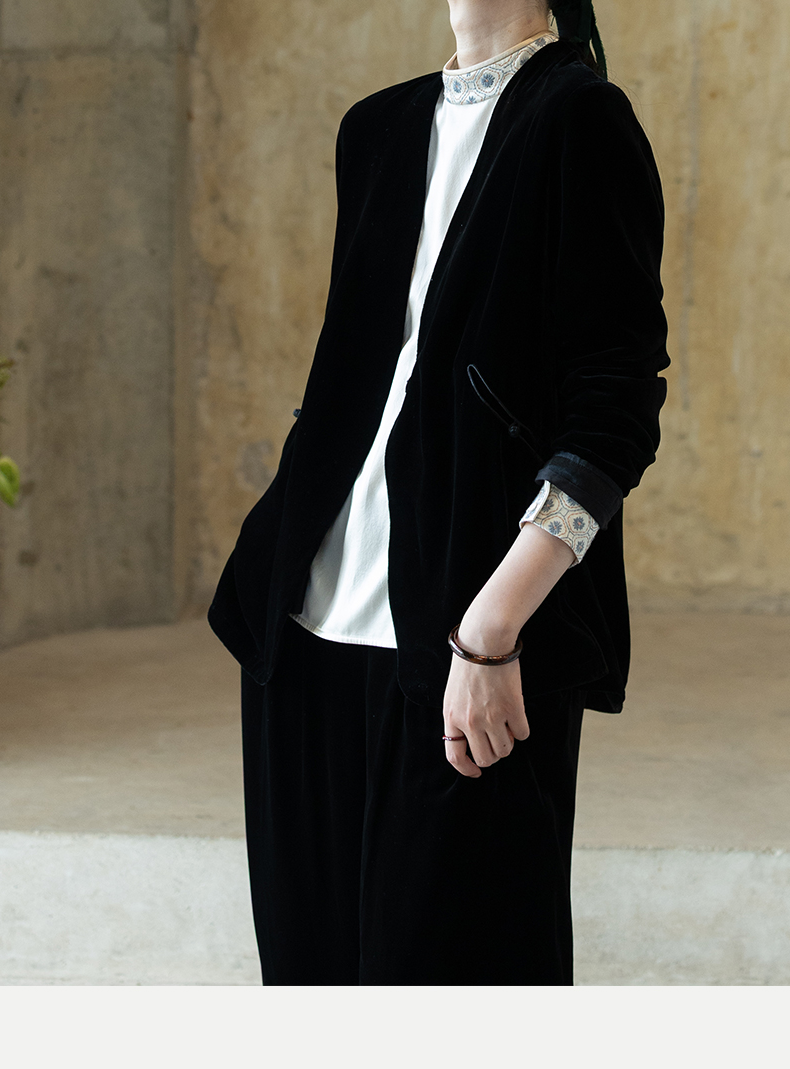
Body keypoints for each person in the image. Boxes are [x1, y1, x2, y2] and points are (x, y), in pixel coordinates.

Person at [208, 0, 668, 985]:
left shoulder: (582, 119)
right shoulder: (375, 128)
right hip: (303, 633)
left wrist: (492, 632)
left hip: (469, 646)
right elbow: (354, 377)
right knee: (311, 984)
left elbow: (615, 413)